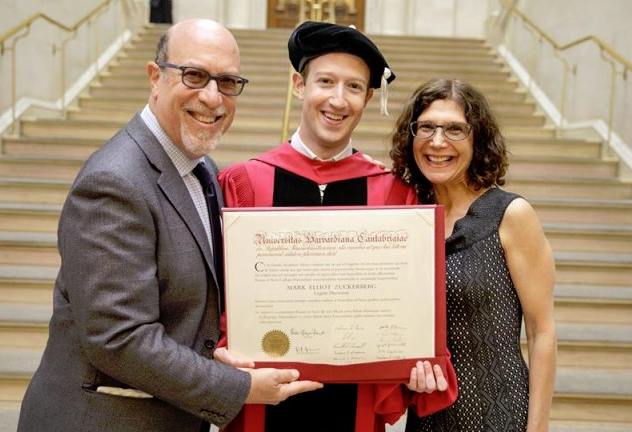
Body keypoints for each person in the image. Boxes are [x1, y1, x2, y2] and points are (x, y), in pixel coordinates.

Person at [17, 19, 322, 432]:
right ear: (154, 77)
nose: (212, 97)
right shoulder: (114, 182)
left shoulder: (201, 169)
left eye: (227, 82)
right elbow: (120, 337)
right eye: (194, 75)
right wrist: (239, 387)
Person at [218, 21, 458, 432]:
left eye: (354, 87)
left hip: (355, 409)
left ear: (368, 98)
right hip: (260, 404)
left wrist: (417, 357)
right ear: (299, 84)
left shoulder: (392, 193)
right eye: (325, 81)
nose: (338, 99)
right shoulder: (245, 183)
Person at [390, 78, 557, 432]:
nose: (437, 141)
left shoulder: (510, 215)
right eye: (426, 127)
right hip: (427, 419)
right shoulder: (408, 218)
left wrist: (538, 428)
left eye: (454, 129)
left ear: (477, 140)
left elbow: (542, 331)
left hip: (499, 415)